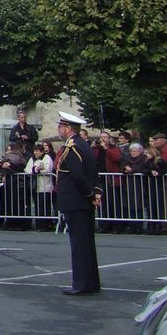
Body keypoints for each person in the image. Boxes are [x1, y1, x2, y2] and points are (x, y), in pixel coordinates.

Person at [55, 111, 102, 295]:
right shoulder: (84, 145)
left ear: (68, 128)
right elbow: (93, 173)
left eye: (60, 126)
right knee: (87, 243)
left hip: (76, 200)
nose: (58, 130)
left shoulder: (72, 146)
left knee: (79, 244)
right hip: (84, 200)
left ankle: (82, 283)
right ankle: (91, 282)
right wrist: (95, 193)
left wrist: (90, 194)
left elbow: (78, 176)